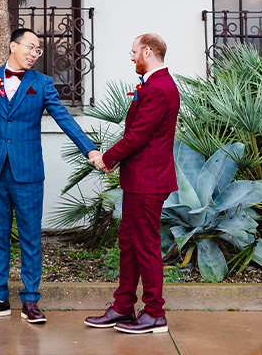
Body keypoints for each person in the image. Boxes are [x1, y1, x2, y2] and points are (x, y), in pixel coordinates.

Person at [0, 27, 104, 325]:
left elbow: (64, 118)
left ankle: (30, 300)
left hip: (28, 172)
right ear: (13, 46)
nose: (34, 54)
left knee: (30, 237)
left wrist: (91, 151)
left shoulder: (41, 83)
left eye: (38, 50)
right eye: (30, 47)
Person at [84, 32, 180, 335]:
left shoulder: (159, 88)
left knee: (146, 246)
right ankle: (123, 306)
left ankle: (154, 312)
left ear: (148, 52)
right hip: (141, 179)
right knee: (129, 243)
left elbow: (137, 136)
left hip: (148, 180)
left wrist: (107, 159)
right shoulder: (154, 85)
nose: (132, 57)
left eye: (134, 52)